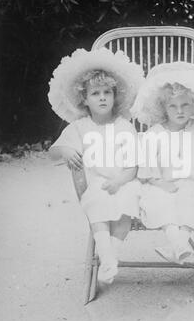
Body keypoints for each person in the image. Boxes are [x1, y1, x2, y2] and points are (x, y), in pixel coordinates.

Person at [48, 48, 144, 284]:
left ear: (115, 96)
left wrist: (120, 181)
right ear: (84, 99)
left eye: (107, 92)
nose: (102, 97)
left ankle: (110, 256)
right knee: (96, 203)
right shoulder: (80, 127)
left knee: (126, 209)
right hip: (97, 184)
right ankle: (106, 253)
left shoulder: (124, 126)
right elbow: (53, 153)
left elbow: (133, 167)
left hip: (124, 181)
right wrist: (67, 150)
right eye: (95, 93)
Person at [131, 62, 194, 264]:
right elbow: (145, 169)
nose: (180, 110)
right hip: (162, 183)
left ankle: (177, 245)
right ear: (164, 108)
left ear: (193, 105)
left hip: (192, 184)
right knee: (159, 201)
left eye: (185, 105)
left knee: (192, 202)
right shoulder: (155, 133)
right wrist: (161, 184)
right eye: (173, 106)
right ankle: (178, 244)